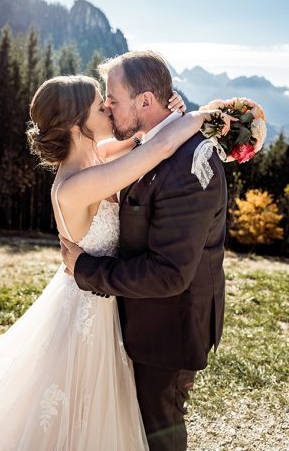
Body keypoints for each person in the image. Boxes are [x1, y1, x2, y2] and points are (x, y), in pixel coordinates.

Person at [0, 68, 222, 450]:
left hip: (105, 295)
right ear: (76, 124)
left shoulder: (95, 155)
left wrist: (167, 114)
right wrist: (199, 118)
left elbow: (143, 136)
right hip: (87, 307)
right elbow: (157, 150)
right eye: (97, 105)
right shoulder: (76, 184)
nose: (107, 107)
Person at [60, 50, 228, 451]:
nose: (108, 108)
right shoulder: (149, 146)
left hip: (169, 328)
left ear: (146, 102)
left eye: (112, 101)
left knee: (159, 427)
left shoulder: (190, 164)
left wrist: (85, 267)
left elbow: (169, 274)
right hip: (135, 320)